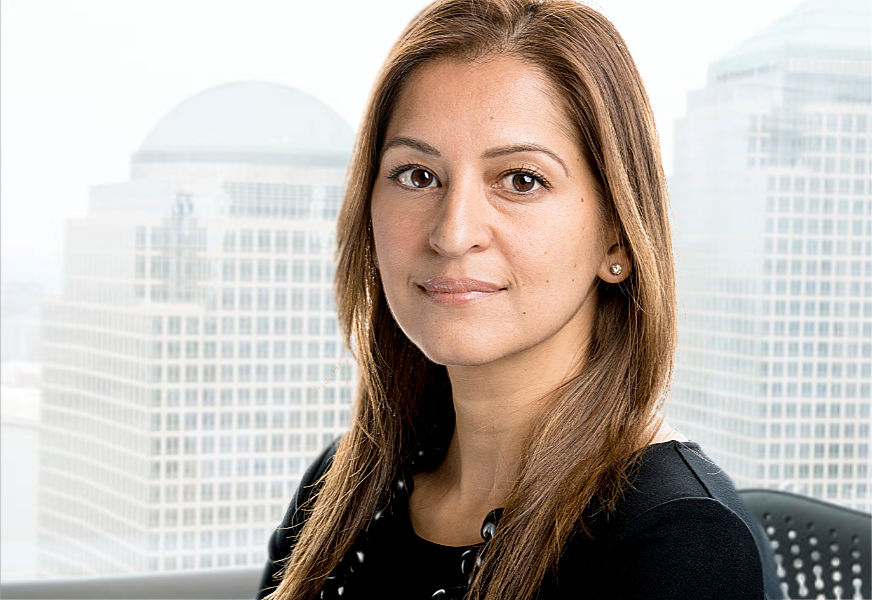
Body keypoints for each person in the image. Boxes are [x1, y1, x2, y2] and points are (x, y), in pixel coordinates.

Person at [258, 1, 780, 598]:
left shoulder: (681, 542)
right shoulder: (345, 483)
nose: (453, 233)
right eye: (417, 175)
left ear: (618, 234)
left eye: (521, 180)